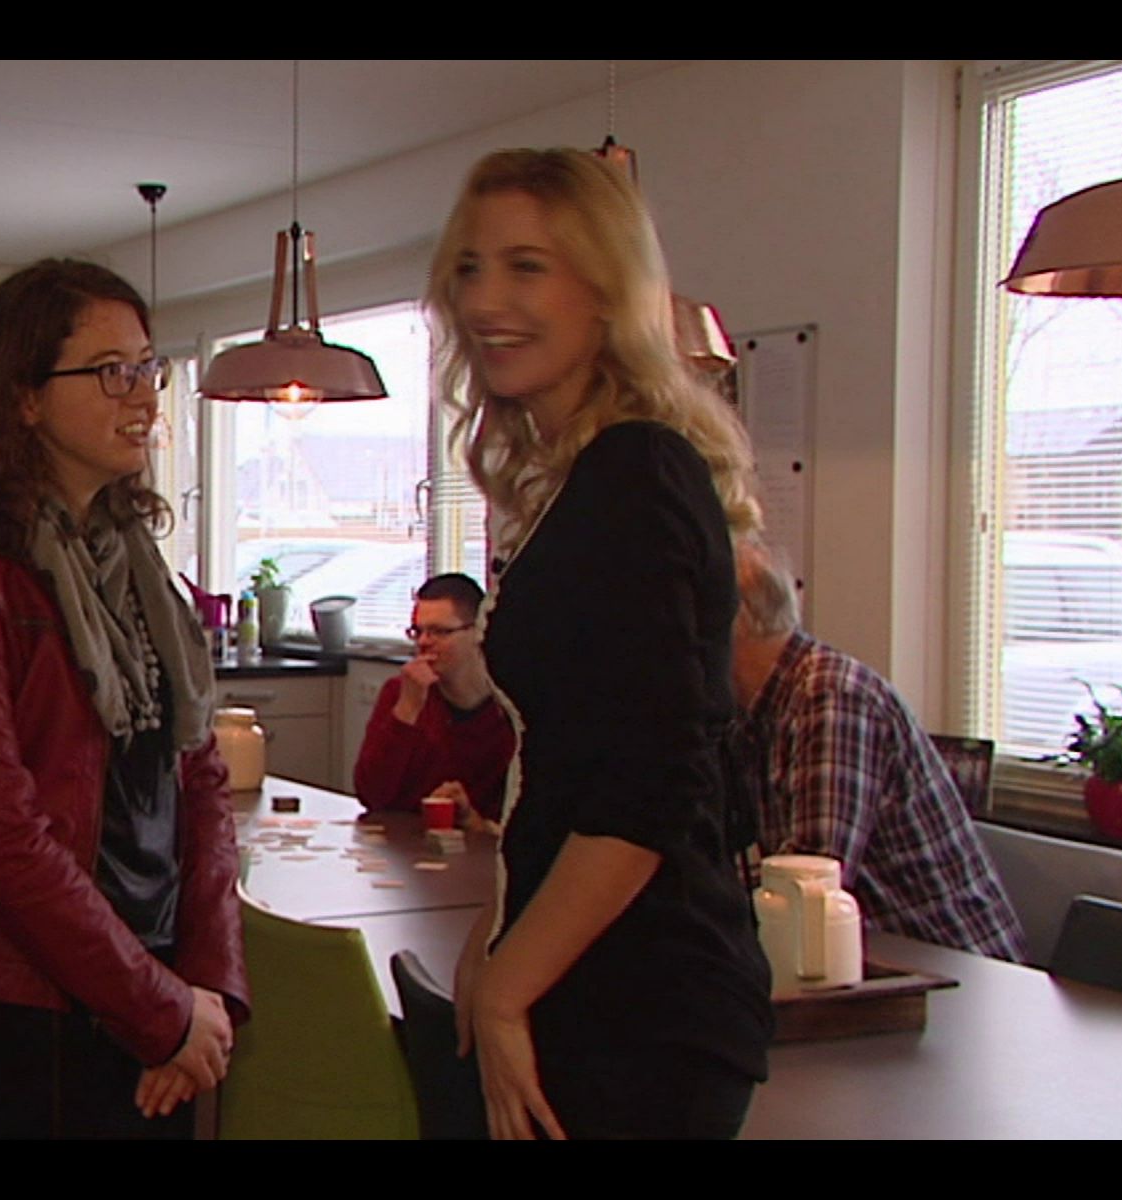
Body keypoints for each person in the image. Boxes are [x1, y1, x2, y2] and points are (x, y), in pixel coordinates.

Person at [429, 148, 774, 1140]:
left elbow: (648, 792)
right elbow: (575, 770)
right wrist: (500, 934)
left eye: (527, 267)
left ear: (607, 293)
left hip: (645, 1009)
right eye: (470, 268)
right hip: (594, 984)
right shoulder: (587, 477)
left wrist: (506, 988)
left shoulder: (637, 474)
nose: (486, 300)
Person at [0, 258, 247, 1139]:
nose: (146, 395)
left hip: (147, 988)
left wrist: (207, 986)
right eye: (112, 370)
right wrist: (161, 1009)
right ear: (24, 398)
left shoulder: (140, 569)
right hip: (8, 1007)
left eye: (149, 367)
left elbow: (199, 780)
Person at [728, 536, 1027, 961]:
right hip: (873, 961)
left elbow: (809, 885)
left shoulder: (831, 698)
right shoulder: (757, 711)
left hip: (953, 969)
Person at [352, 573, 515, 827]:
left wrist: (474, 820)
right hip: (404, 840)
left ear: (478, 632)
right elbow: (371, 794)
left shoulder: (509, 708)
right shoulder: (401, 691)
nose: (424, 642)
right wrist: (407, 710)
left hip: (478, 843)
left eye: (439, 631)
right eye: (418, 631)